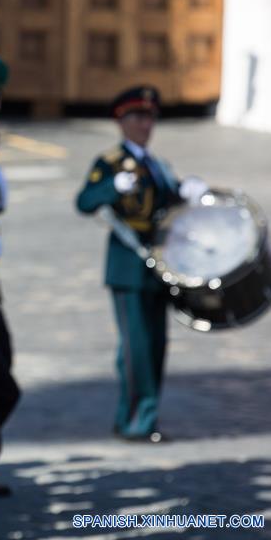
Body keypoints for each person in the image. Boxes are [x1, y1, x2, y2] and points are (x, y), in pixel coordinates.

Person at [76, 85, 208, 443]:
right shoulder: (110, 163)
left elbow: (168, 202)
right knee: (136, 349)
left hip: (159, 267)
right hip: (128, 268)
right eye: (137, 117)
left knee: (155, 346)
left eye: (150, 117)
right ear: (121, 121)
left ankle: (139, 416)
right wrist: (112, 188)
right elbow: (85, 202)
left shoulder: (157, 165)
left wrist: (186, 189)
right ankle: (137, 421)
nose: (145, 125)